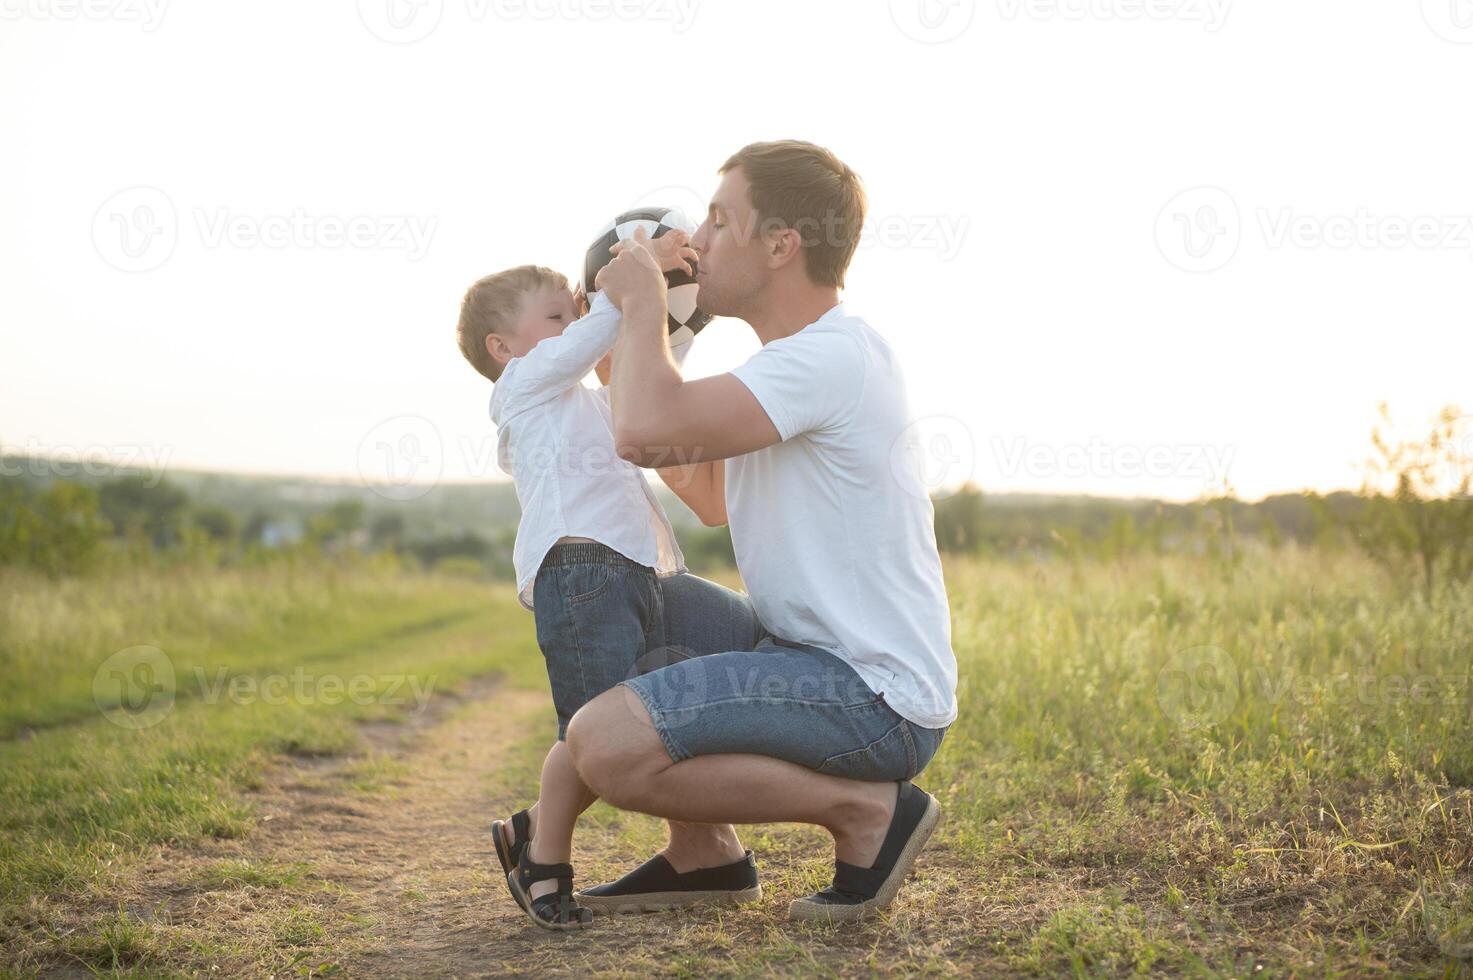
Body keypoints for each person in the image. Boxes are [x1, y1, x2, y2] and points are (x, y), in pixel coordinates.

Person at [567, 140, 959, 922]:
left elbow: (644, 435)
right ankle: (703, 854)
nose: (697, 240)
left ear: (782, 245)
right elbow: (707, 491)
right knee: (631, 598)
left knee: (606, 745)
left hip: (870, 694)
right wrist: (628, 357)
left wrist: (644, 301)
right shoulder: (789, 366)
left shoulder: (829, 357)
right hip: (804, 659)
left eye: (719, 220)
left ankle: (867, 811)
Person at [452, 231, 701, 929]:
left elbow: (645, 373)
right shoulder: (521, 389)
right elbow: (585, 344)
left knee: (616, 730)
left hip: (625, 568)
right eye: (556, 315)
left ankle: (534, 833)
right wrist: (630, 282)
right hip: (578, 568)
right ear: (504, 348)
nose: (577, 320)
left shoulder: (581, 398)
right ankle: (543, 854)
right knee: (598, 732)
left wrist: (662, 298)